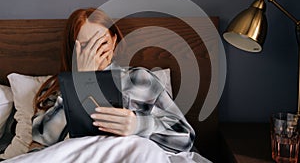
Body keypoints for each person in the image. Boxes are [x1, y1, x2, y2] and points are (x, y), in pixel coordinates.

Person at [30, 8, 195, 155]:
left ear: (114, 41)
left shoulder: (139, 79)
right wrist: (81, 82)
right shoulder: (57, 88)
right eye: (87, 46)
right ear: (74, 49)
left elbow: (184, 139)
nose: (95, 52)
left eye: (102, 43)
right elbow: (40, 144)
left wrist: (138, 125)